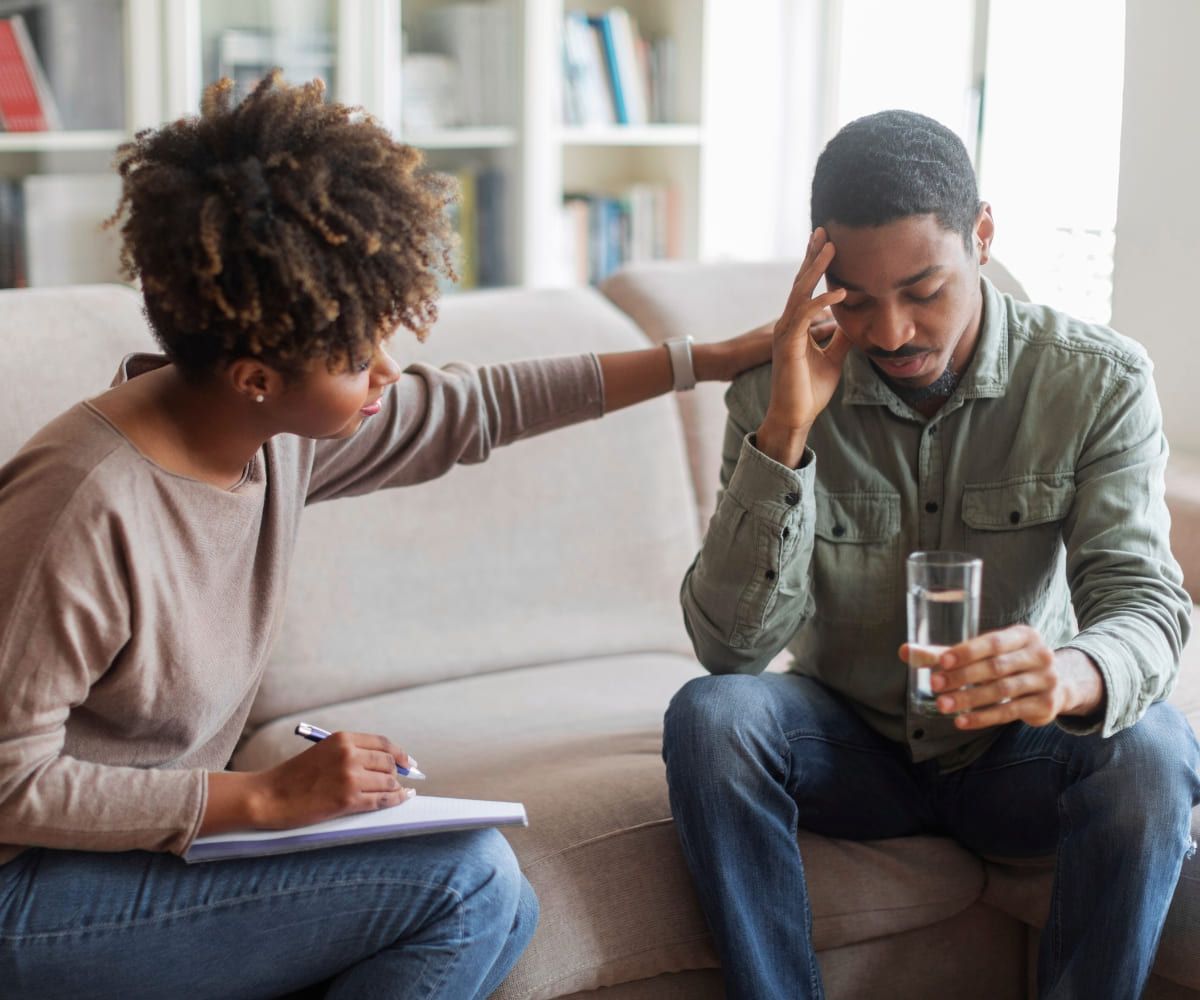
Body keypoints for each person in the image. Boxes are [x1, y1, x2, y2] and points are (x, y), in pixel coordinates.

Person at [0, 73, 773, 1000]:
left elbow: (475, 406)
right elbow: (8, 781)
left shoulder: (265, 440)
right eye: (356, 355)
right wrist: (262, 799)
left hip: (135, 858)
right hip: (27, 893)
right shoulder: (85, 505)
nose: (386, 371)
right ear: (255, 373)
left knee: (504, 902)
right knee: (469, 884)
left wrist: (710, 360)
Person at [663, 109, 1200, 999]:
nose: (893, 333)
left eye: (923, 289)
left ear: (983, 235)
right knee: (712, 715)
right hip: (850, 748)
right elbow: (731, 651)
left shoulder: (1096, 381)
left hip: (1016, 755)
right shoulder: (776, 392)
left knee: (1155, 743)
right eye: (858, 299)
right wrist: (788, 432)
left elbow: (1145, 602)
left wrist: (1071, 674)